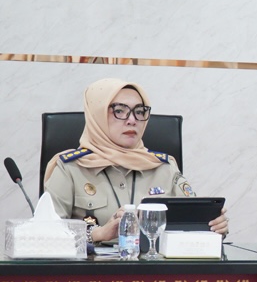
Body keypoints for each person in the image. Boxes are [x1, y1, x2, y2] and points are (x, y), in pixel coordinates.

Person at [44, 78, 229, 245]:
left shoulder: (164, 167)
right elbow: (46, 234)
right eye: (119, 111)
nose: (132, 120)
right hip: (90, 270)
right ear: (96, 115)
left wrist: (213, 226)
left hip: (156, 268)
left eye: (139, 112)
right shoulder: (70, 168)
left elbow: (194, 223)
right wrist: (98, 234)